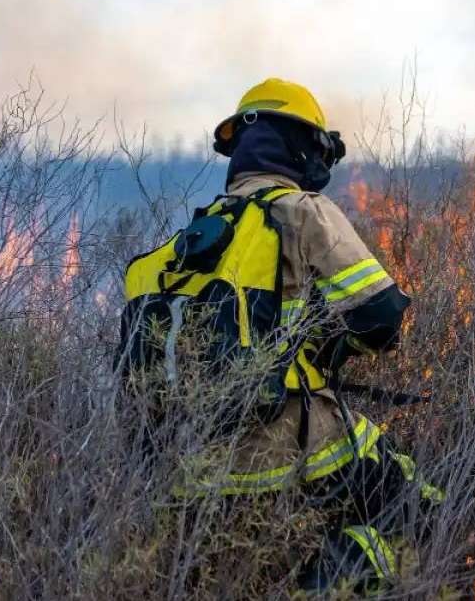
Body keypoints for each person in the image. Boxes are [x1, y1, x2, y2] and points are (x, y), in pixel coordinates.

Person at [122, 78, 441, 594]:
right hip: (291, 448)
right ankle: (329, 586)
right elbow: (382, 317)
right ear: (300, 146)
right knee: (421, 508)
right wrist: (335, 346)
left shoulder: (188, 244)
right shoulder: (301, 211)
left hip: (191, 476)